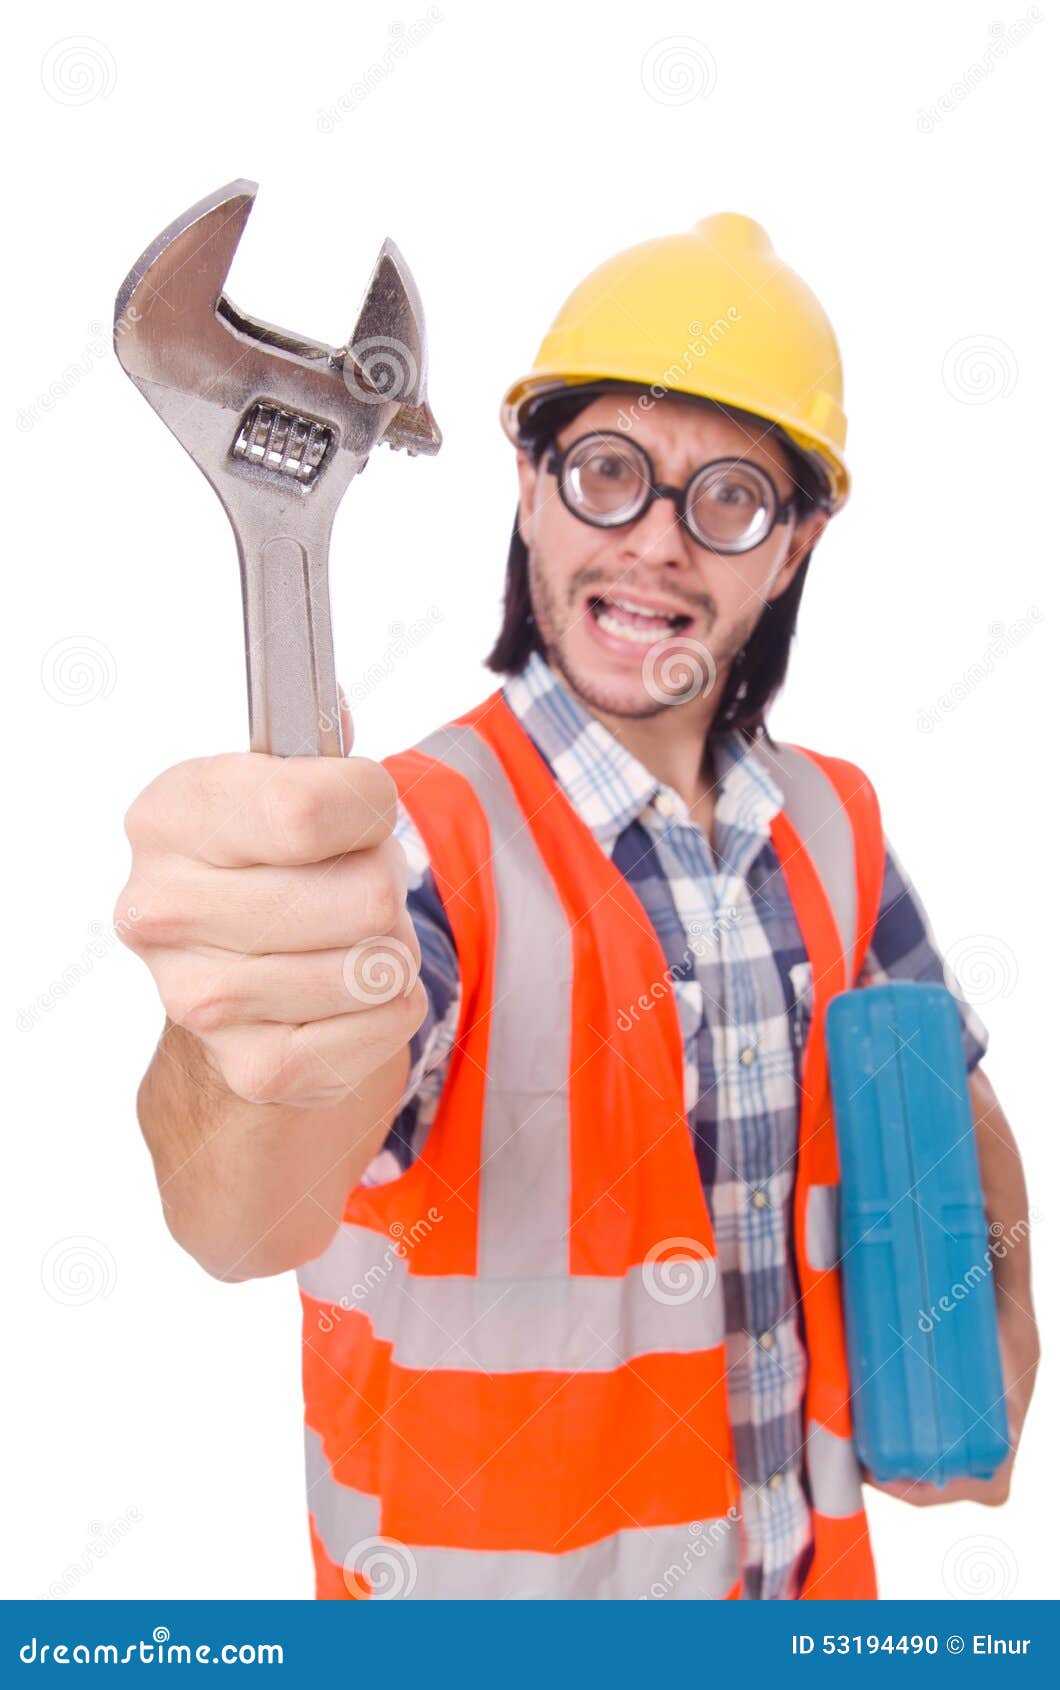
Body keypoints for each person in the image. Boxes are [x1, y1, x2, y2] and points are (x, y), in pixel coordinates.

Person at [115, 213, 1039, 1601]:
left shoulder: (837, 819)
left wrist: (1003, 1320)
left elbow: (956, 1096)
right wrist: (242, 1039)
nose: (659, 544)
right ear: (533, 491)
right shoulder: (409, 840)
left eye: (727, 497)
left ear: (790, 548)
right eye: (610, 473)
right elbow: (238, 1218)